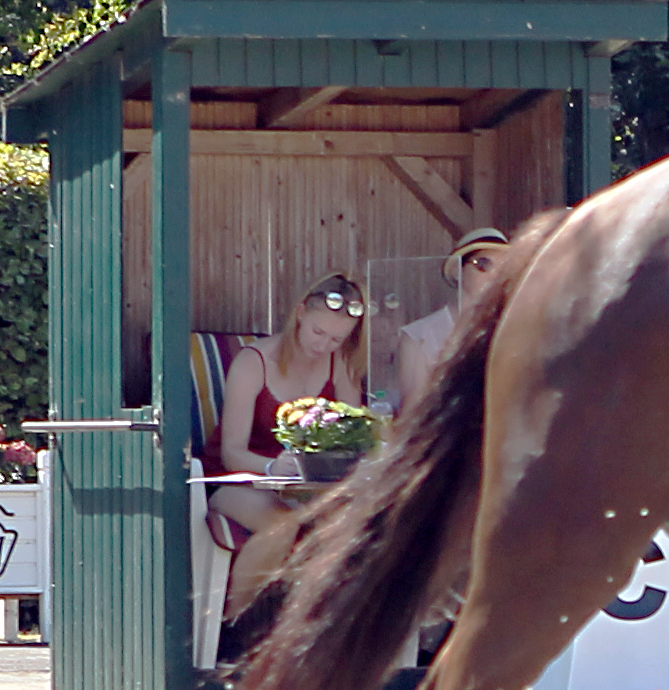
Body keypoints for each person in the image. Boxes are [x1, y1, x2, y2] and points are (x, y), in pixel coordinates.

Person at [208, 272, 367, 617]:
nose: (323, 345)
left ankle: (322, 630)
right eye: (318, 332)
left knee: (358, 521)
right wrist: (271, 467)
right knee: (282, 524)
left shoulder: (339, 365)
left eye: (336, 339)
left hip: (308, 485)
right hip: (239, 477)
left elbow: (355, 437)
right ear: (299, 314)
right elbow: (230, 452)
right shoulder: (254, 363)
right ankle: (234, 627)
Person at [395, 227, 508, 414]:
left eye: (504, 268)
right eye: (483, 264)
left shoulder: (515, 331)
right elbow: (413, 415)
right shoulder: (419, 336)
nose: (494, 275)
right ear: (457, 270)